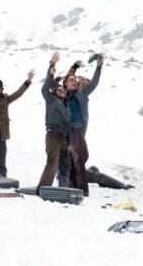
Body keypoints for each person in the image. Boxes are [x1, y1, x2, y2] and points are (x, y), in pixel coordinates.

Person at [61, 55, 104, 195]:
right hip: (65, 130)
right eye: (73, 80)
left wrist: (99, 66)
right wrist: (74, 66)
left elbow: (95, 82)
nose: (75, 81)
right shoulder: (62, 94)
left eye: (76, 80)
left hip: (77, 129)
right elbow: (68, 77)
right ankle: (71, 186)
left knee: (80, 158)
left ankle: (83, 189)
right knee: (68, 158)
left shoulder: (82, 93)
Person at [37, 52, 72, 193]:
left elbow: (68, 126)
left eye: (63, 90)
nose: (62, 91)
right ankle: (42, 189)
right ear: (55, 92)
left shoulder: (66, 106)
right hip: (53, 136)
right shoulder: (51, 100)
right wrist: (51, 65)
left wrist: (69, 143)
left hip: (64, 138)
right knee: (52, 164)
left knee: (65, 166)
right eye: (59, 89)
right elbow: (45, 88)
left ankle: (63, 190)